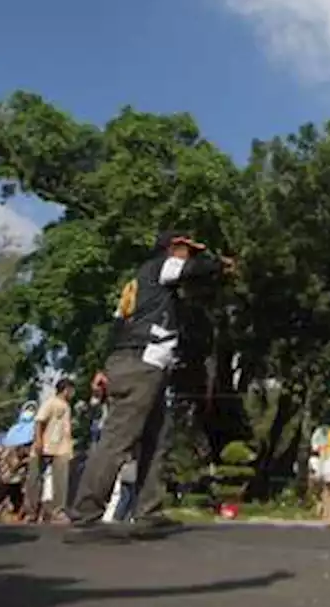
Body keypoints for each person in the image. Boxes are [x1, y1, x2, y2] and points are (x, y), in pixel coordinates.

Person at [68, 230, 233, 539]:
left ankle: (149, 510)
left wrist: (105, 366)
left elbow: (117, 325)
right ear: (173, 248)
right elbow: (196, 269)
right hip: (142, 361)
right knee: (120, 437)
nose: (190, 257)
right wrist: (220, 263)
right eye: (187, 250)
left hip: (135, 361)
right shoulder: (162, 266)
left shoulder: (137, 285)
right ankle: (85, 515)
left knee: (157, 436)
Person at [23, 378, 75, 524]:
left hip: (61, 448)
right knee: (34, 479)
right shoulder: (51, 402)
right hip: (44, 445)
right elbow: (39, 420)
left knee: (61, 480)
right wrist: (38, 440)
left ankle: (58, 511)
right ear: (66, 390)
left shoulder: (66, 406)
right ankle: (31, 511)